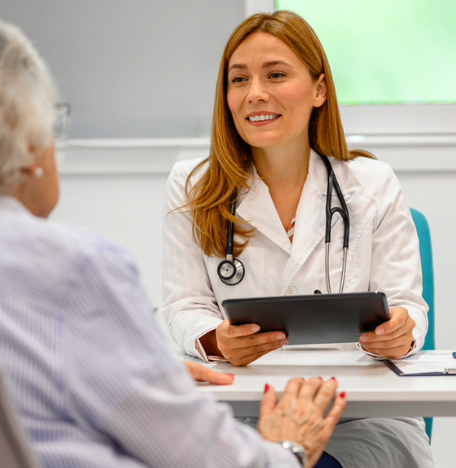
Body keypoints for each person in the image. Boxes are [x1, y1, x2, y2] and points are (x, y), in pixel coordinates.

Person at [0, 7, 346, 468]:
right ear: (25, 145)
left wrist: (141, 380)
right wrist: (288, 451)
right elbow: (208, 459)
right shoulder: (76, 267)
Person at [161, 11, 434, 468]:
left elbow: (409, 306)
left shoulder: (372, 183)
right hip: (239, 411)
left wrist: (399, 333)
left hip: (357, 415)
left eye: (276, 75)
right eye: (239, 79)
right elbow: (183, 305)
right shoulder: (193, 184)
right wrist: (217, 340)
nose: (255, 94)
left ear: (319, 90)